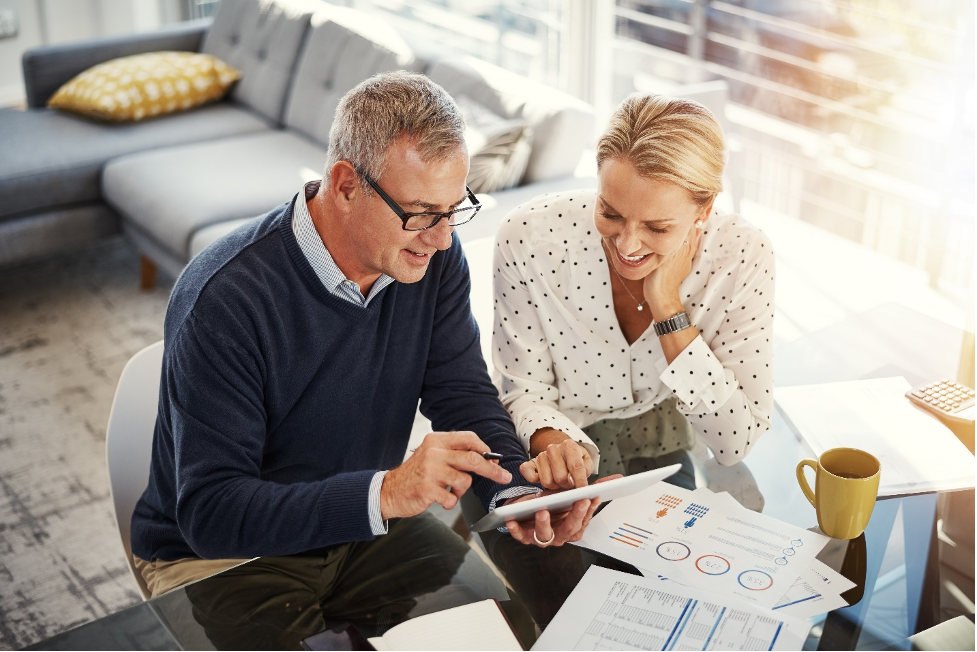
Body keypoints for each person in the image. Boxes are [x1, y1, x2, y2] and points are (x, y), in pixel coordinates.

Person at [129, 71, 601, 600]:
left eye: (454, 210)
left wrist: (517, 490)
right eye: (421, 214)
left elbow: (462, 395)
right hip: (226, 554)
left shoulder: (431, 259)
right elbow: (212, 513)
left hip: (363, 524)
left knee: (503, 630)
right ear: (346, 185)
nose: (442, 238)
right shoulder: (225, 299)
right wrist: (386, 493)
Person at [492, 93, 775, 490]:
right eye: (610, 213)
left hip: (664, 441)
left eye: (657, 228)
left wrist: (668, 308)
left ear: (705, 209)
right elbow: (523, 390)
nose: (626, 245)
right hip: (551, 442)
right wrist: (555, 446)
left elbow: (734, 441)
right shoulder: (529, 238)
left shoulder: (741, 256)